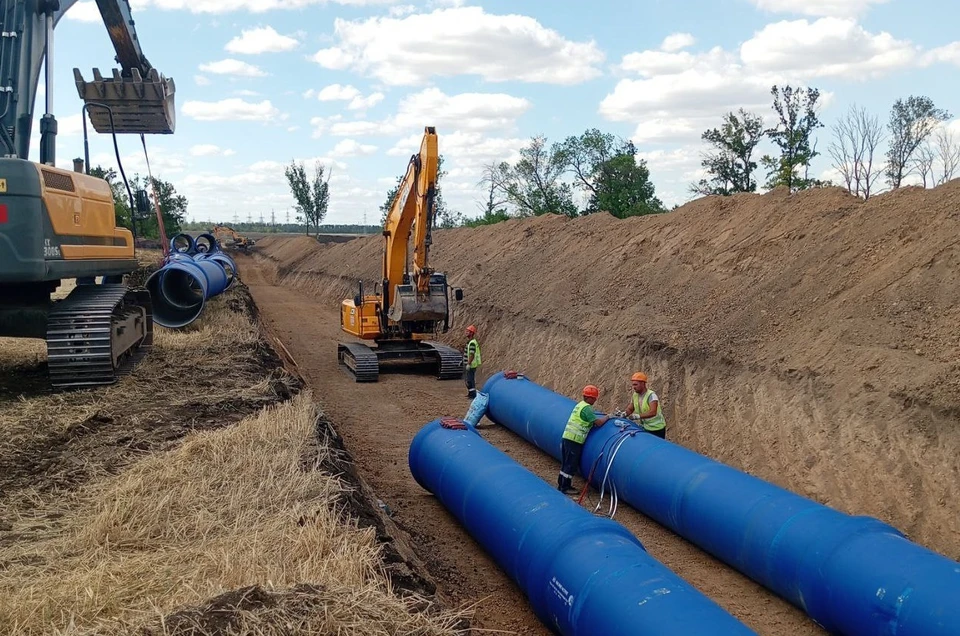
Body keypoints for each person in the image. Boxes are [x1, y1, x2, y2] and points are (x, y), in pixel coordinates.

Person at [558, 385, 609, 493]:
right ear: (589, 398)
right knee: (571, 464)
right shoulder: (587, 408)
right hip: (574, 440)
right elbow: (598, 423)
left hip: (567, 438)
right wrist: (608, 417)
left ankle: (561, 485)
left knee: (566, 463)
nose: (595, 400)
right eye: (594, 398)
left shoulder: (580, 405)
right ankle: (565, 487)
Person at [624, 372, 667, 438]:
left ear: (643, 383)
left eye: (636, 385)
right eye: (633, 385)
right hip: (645, 427)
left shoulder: (651, 395)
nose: (634, 387)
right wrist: (624, 413)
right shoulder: (635, 395)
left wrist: (637, 416)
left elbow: (653, 412)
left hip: (657, 428)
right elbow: (630, 409)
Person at [463, 324, 481, 398]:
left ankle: (473, 395)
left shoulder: (472, 343)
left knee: (470, 380)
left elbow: (472, 354)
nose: (466, 332)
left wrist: (468, 364)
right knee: (469, 379)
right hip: (469, 363)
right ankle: (470, 394)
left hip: (471, 365)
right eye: (466, 331)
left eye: (468, 331)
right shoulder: (470, 342)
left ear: (471, 333)